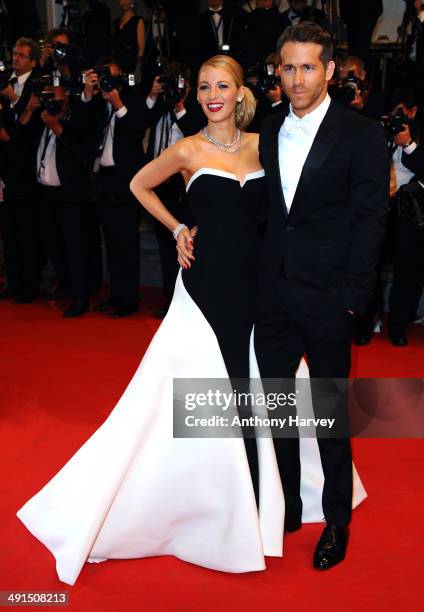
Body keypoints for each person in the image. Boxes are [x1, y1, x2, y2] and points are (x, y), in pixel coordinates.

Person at [16, 54, 367, 585]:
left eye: (222, 84)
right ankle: (213, 504)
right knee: (214, 393)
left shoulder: (264, 142)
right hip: (206, 290)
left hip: (263, 290)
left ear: (241, 90)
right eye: (203, 87)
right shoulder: (185, 148)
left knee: (267, 393)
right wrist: (179, 227)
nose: (212, 95)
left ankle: (276, 496)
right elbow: (138, 185)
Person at [254, 23, 389, 570]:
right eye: (289, 67)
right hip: (273, 294)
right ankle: (286, 502)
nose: (298, 79)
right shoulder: (266, 129)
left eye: (309, 67)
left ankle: (337, 519)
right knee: (279, 408)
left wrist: (354, 300)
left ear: (330, 71)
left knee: (329, 415)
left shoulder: (361, 133)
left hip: (330, 298)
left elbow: (370, 221)